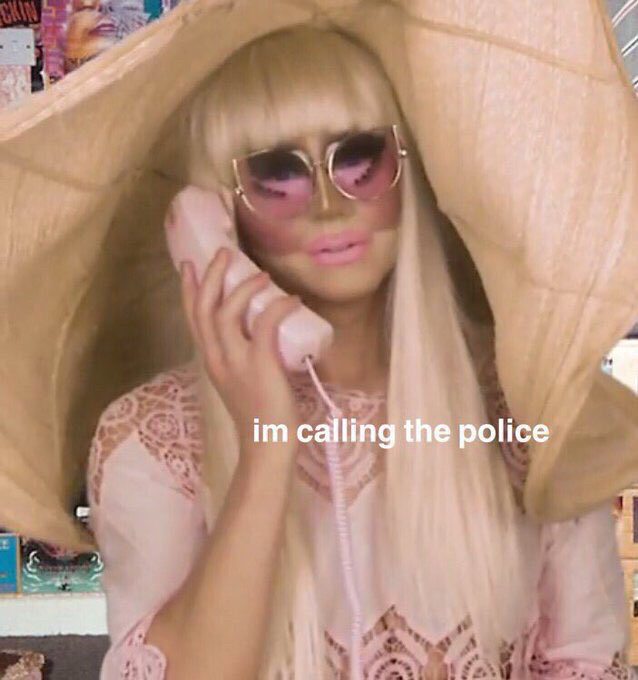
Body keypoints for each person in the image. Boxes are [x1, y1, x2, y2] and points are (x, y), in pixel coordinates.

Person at [86, 25, 634, 680]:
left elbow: (587, 661)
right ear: (215, 218)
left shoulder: (527, 404)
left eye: (358, 159)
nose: (327, 205)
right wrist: (264, 450)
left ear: (406, 172)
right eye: (277, 173)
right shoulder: (153, 444)